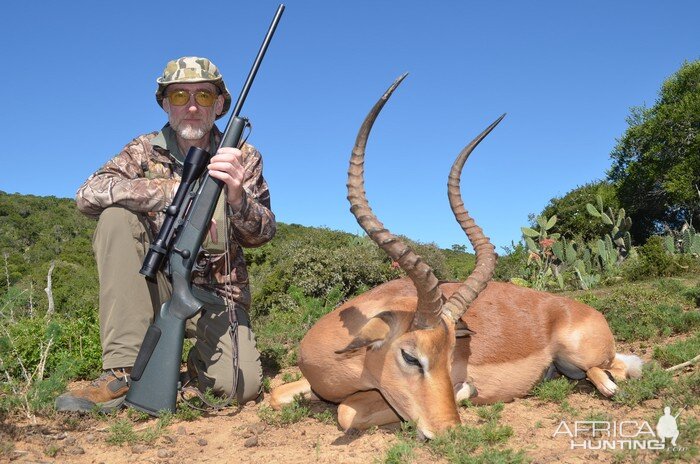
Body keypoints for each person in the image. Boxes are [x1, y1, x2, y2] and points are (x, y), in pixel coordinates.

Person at [56, 56, 276, 412]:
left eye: (204, 96)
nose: (191, 106)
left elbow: (263, 233)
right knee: (114, 218)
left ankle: (183, 371)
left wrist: (237, 197)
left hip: (220, 294)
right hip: (155, 287)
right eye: (179, 96)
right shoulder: (143, 149)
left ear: (219, 105)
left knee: (238, 388)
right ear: (164, 103)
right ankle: (124, 369)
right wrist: (170, 191)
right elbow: (87, 193)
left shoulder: (243, 156)